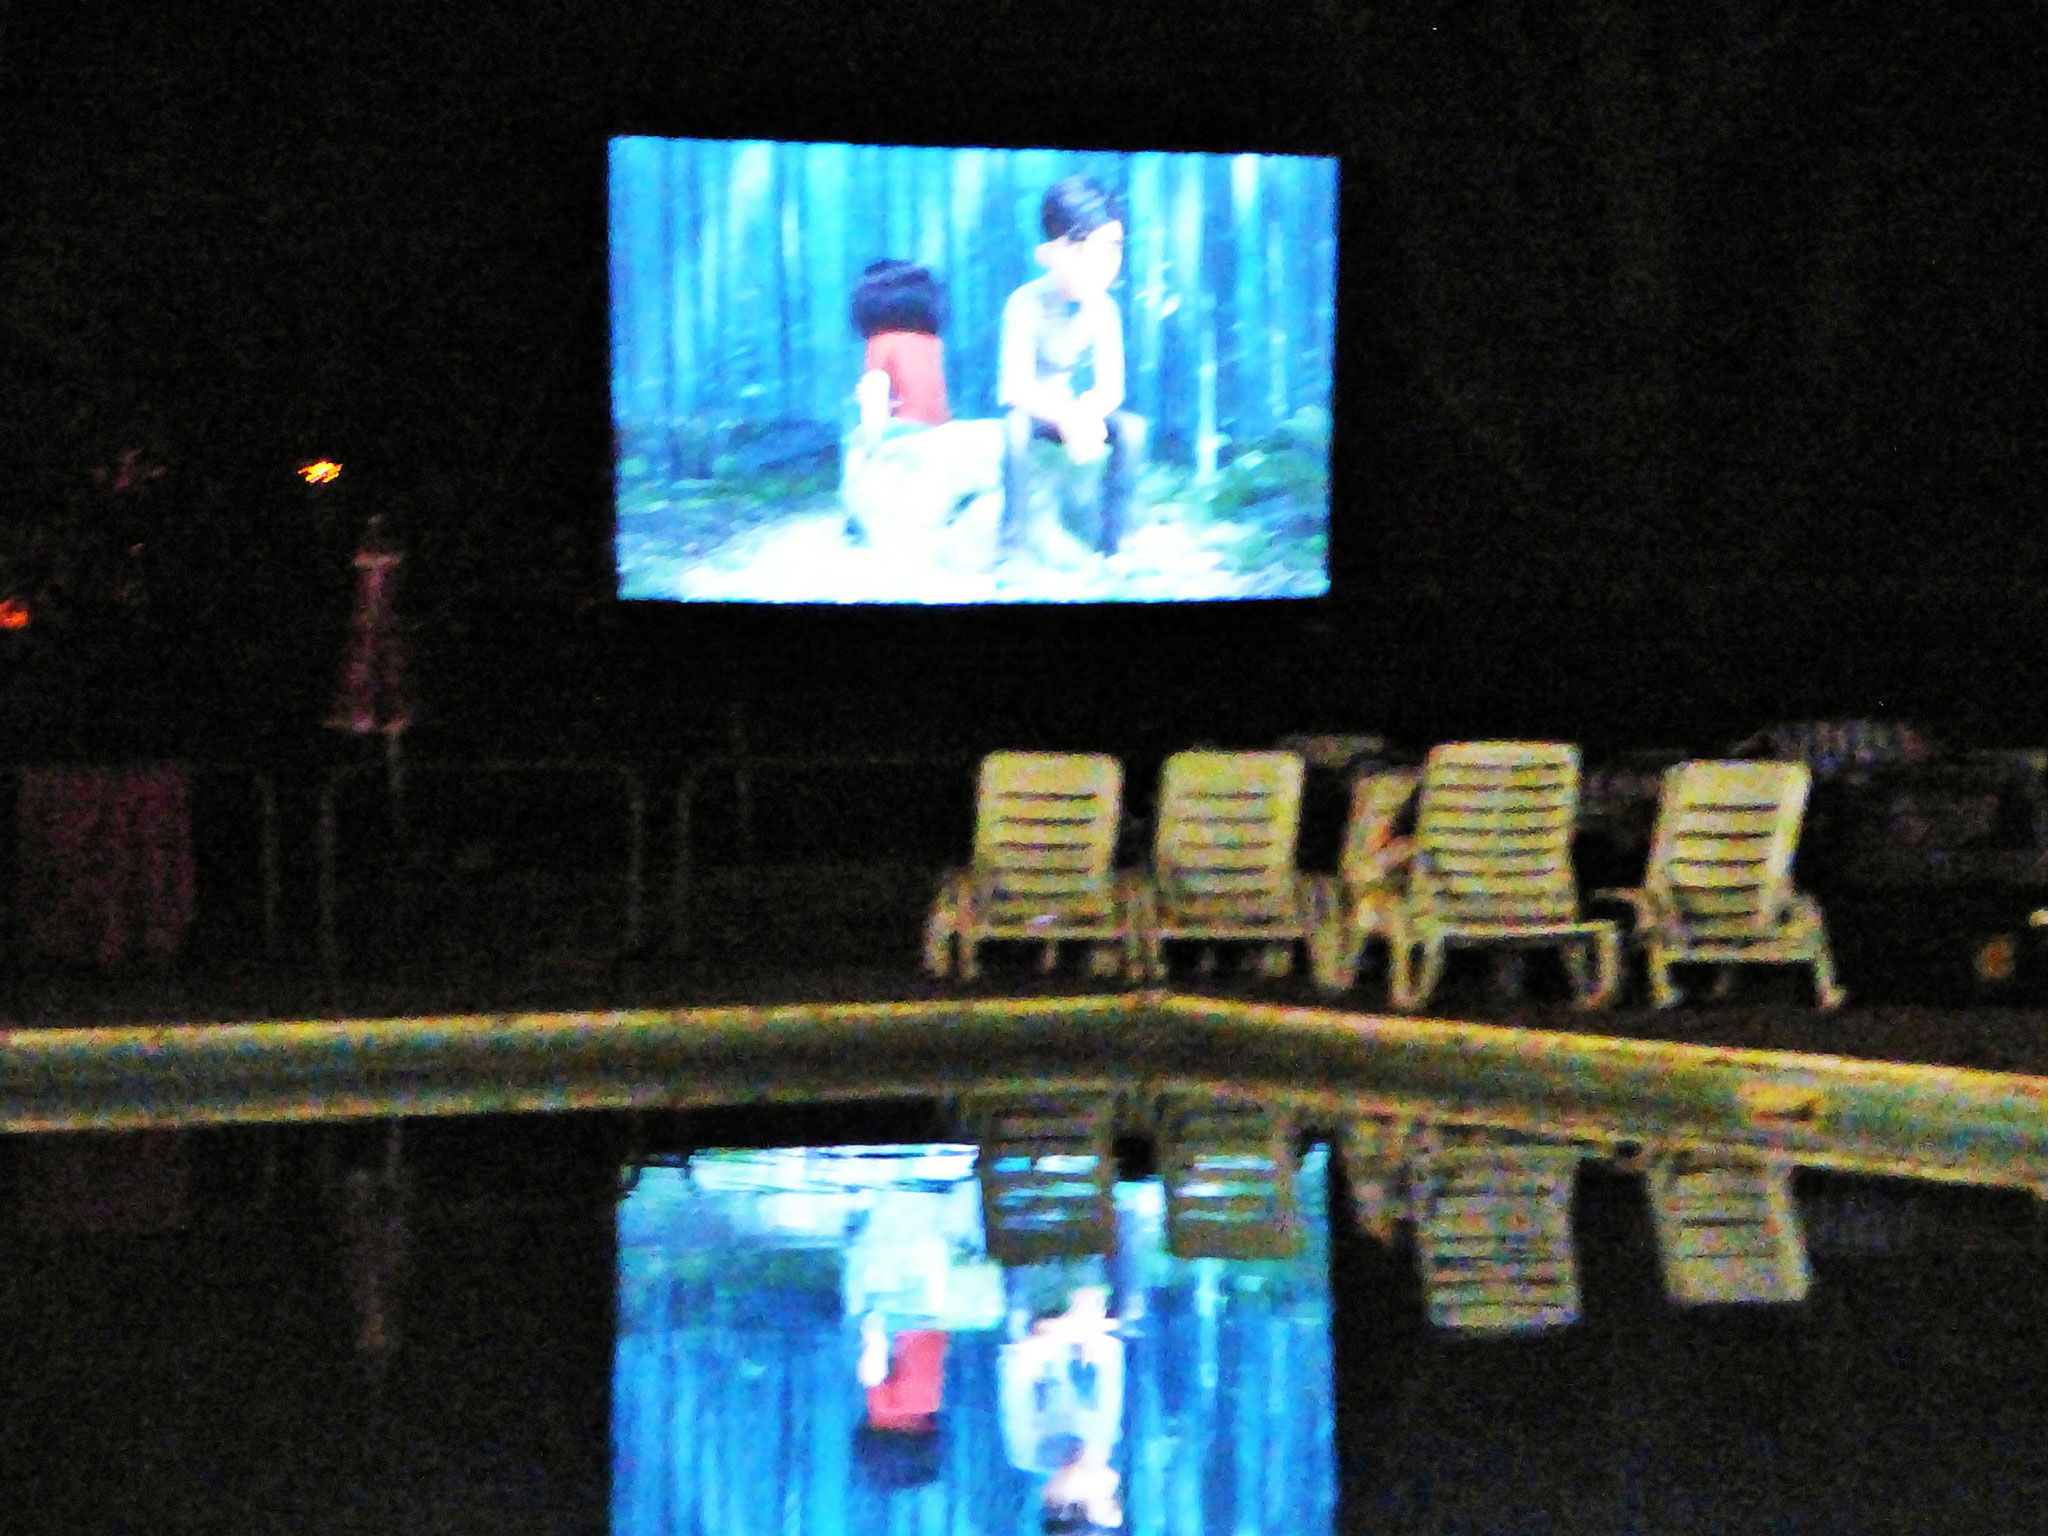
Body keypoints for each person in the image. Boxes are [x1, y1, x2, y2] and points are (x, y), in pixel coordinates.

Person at [997, 176, 1147, 562]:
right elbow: (1015, 387)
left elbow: (1111, 387)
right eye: (1082, 250)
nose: (1099, 267)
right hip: (1040, 412)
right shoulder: (1023, 303)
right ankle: (1013, 541)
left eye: (1111, 251)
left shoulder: (1105, 309)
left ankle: (1119, 539)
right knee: (1014, 429)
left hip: (1081, 410)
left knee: (1131, 429)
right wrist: (1064, 416)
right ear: (1047, 252)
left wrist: (1088, 413)